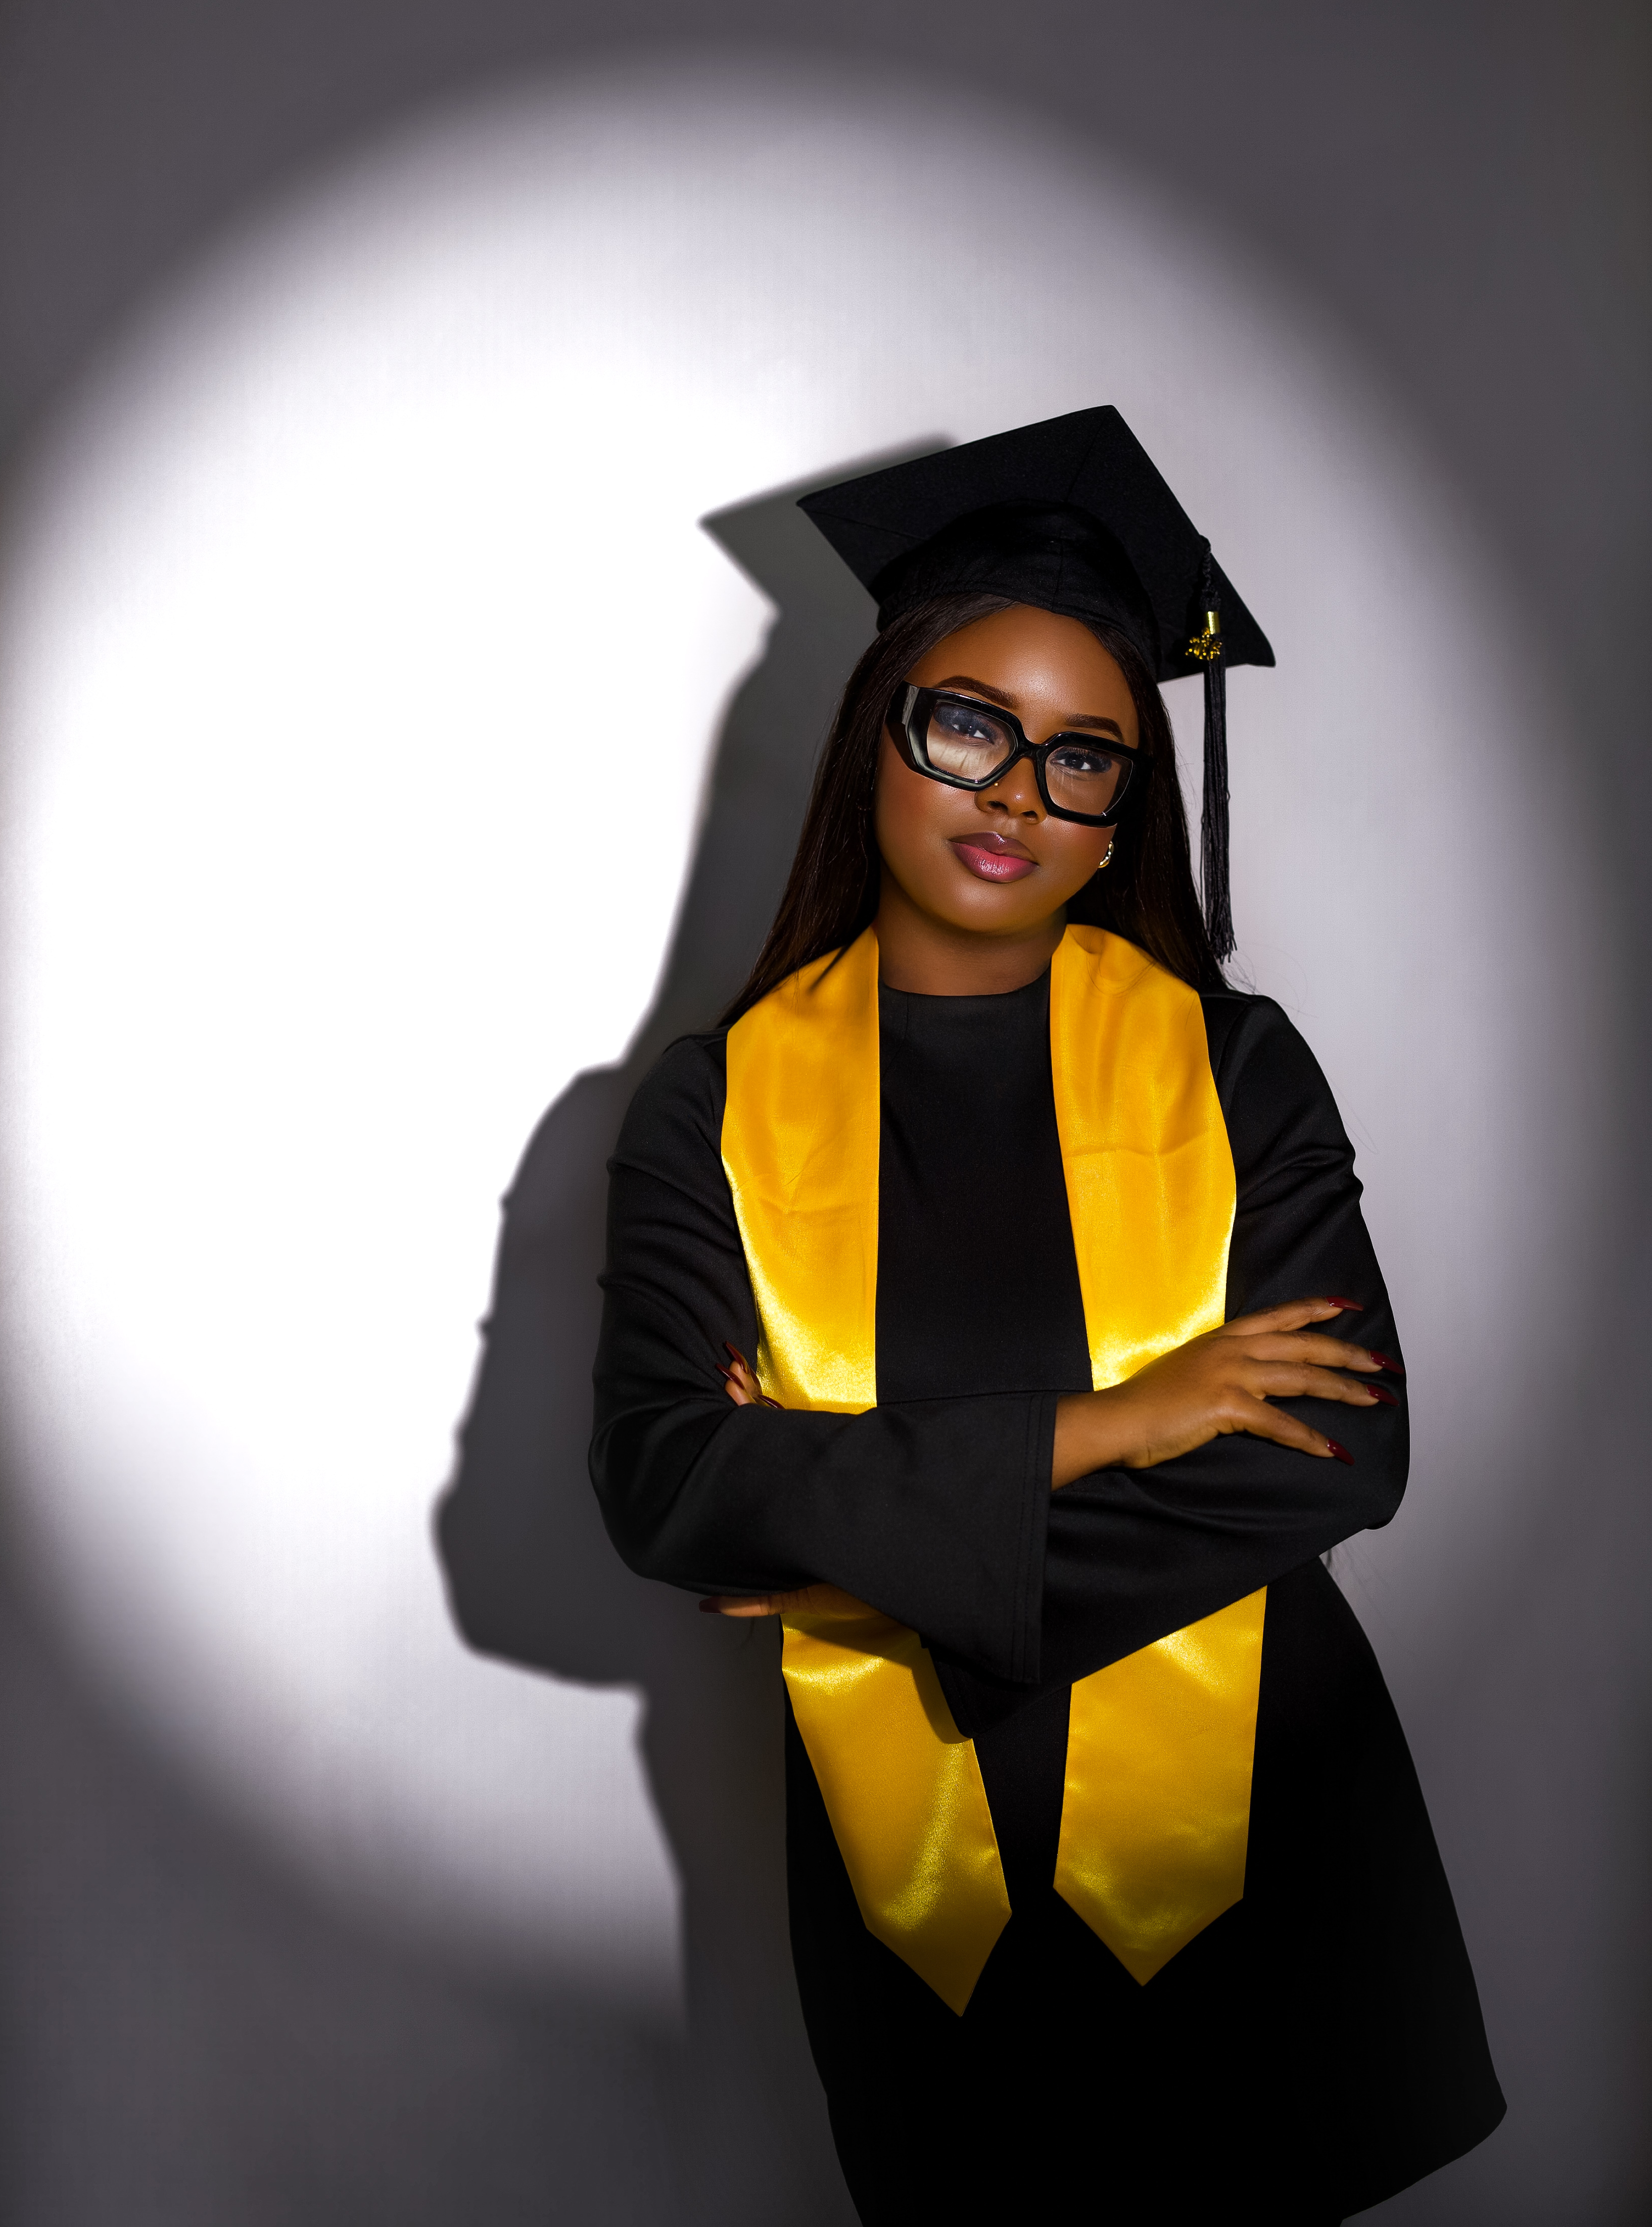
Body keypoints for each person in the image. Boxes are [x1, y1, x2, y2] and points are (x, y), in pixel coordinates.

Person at [590, 409, 1504, 2223]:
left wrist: (869, 1547)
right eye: (968, 727)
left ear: (1117, 825)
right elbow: (667, 1481)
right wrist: (1113, 1423)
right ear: (879, 744)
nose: (1017, 790)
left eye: (1082, 759)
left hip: (1264, 1844)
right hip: (914, 1895)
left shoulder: (1232, 1067)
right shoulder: (715, 1108)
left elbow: (1339, 1450)